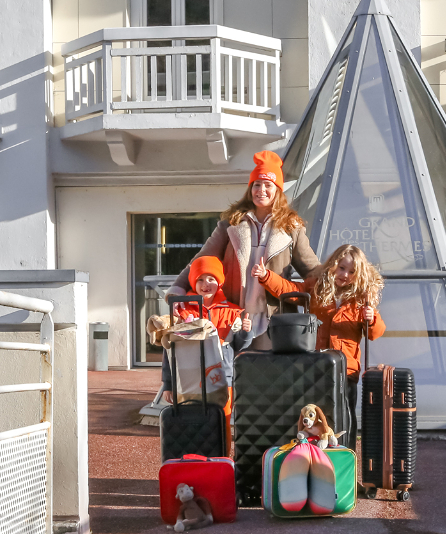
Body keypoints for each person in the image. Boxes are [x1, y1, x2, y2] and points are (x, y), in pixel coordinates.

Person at [166, 151, 321, 349]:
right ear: (250, 189)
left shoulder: (292, 229)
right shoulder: (230, 225)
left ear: (278, 191)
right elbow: (201, 261)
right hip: (235, 317)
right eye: (256, 184)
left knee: (271, 376)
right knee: (237, 374)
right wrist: (176, 291)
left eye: (268, 185)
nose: (261, 190)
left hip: (275, 319)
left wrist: (343, 286)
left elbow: (313, 270)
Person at [253, 244, 386, 452]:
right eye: (341, 268)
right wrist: (266, 276)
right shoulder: (318, 286)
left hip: (346, 369)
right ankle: (314, 457)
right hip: (316, 364)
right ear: (333, 265)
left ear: (358, 274)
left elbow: (375, 333)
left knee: (345, 415)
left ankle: (345, 457)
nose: (344, 275)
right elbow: (292, 290)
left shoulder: (361, 299)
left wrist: (372, 319)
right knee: (315, 414)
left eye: (351, 272)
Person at [161, 256, 254, 451]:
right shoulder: (181, 311)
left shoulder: (233, 311)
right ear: (193, 281)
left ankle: (222, 462)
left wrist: (246, 330)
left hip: (222, 379)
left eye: (211, 279)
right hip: (188, 379)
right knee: (190, 422)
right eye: (200, 279)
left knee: (223, 420)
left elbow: (240, 345)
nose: (205, 284)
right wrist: (168, 384)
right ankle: (193, 461)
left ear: (219, 282)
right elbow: (170, 349)